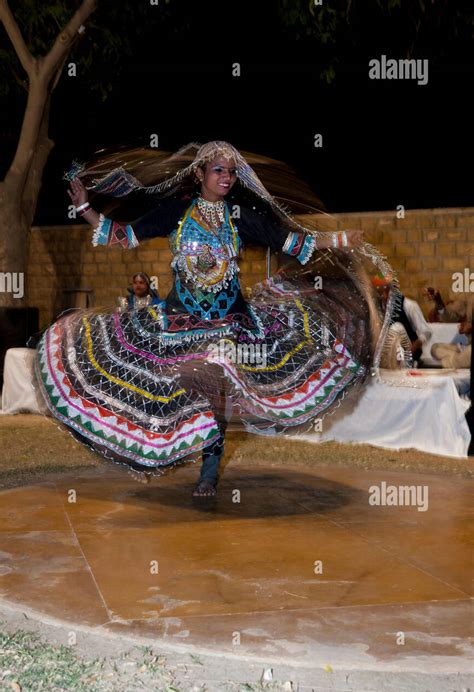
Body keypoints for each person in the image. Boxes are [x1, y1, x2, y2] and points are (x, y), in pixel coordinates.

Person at [35, 141, 394, 497]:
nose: (227, 177)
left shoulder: (240, 216)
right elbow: (122, 236)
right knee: (174, 389)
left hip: (231, 323)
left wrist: (341, 238)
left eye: (232, 171)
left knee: (212, 394)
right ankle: (158, 448)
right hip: (180, 322)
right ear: (200, 173)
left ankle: (208, 472)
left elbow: (291, 242)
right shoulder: (176, 212)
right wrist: (83, 206)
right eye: (219, 170)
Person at [373, 273, 431, 364]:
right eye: (380, 292)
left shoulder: (409, 305)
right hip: (386, 357)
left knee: (397, 328)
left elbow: (426, 332)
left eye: (386, 290)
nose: (383, 295)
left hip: (407, 356)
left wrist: (410, 351)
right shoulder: (377, 307)